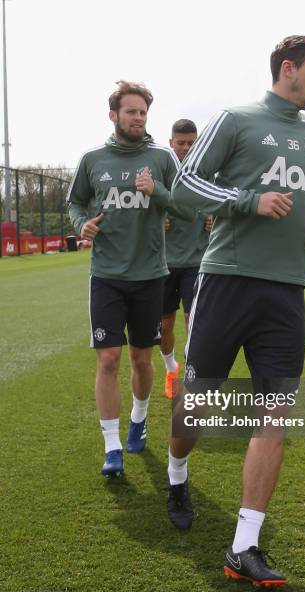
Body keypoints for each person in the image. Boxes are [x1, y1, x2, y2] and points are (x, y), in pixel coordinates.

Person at [167, 36, 305, 587]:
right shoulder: (235, 119)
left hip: (286, 293)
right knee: (196, 410)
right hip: (226, 284)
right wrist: (247, 200)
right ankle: (177, 473)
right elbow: (184, 183)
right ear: (288, 69)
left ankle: (245, 546)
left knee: (275, 416)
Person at [67, 80, 191, 477]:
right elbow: (74, 203)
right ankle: (112, 446)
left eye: (143, 112)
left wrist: (157, 192)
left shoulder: (162, 158)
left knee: (140, 358)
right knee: (109, 359)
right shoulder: (93, 159)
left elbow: (186, 206)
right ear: (114, 115)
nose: (138, 118)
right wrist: (81, 224)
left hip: (150, 275)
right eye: (131, 112)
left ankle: (139, 418)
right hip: (105, 275)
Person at [160, 119, 212, 399]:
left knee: (194, 323)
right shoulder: (161, 174)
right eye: (181, 142)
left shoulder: (206, 174)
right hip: (164, 265)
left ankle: (192, 377)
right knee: (164, 326)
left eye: (191, 142)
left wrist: (216, 217)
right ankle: (171, 369)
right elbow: (144, 209)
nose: (186, 147)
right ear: (171, 143)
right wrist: (156, 221)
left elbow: (224, 203)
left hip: (196, 262)